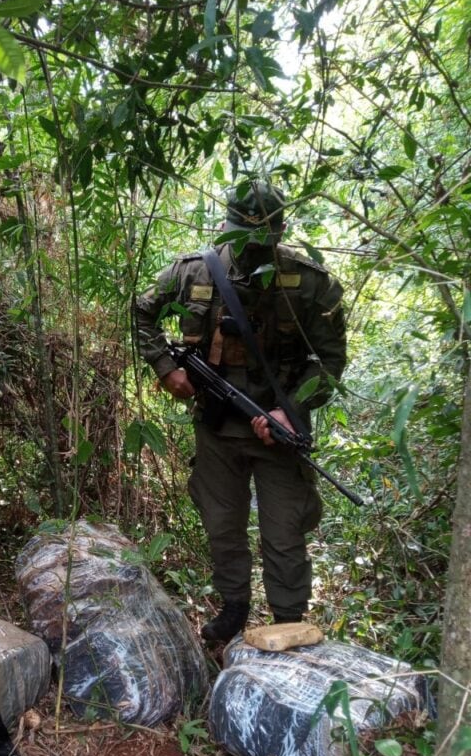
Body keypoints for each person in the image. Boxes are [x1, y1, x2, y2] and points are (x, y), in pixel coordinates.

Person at [133, 180, 346, 644]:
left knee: (285, 533)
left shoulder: (309, 283)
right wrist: (167, 367)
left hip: (278, 433)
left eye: (260, 242)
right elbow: (143, 311)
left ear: (282, 230)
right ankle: (234, 609)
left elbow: (330, 363)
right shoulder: (193, 273)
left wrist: (292, 411)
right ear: (225, 228)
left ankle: (289, 619)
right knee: (222, 525)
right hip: (216, 430)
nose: (249, 253)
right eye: (240, 241)